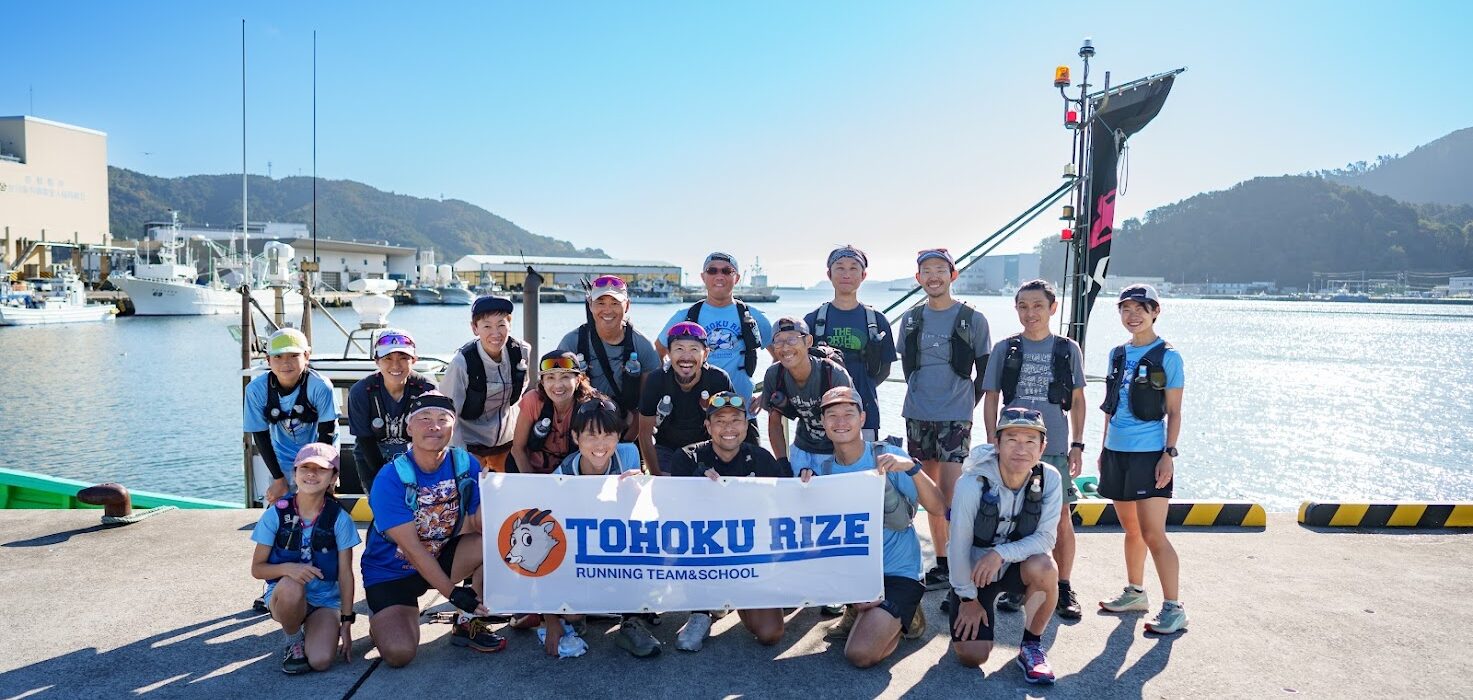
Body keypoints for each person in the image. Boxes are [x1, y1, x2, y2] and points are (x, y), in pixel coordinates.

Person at [361, 391, 506, 667]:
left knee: (491, 542)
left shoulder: (467, 464)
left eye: (443, 419)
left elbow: (479, 524)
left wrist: (493, 492)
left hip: (440, 556)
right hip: (392, 572)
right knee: (399, 654)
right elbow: (413, 550)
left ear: (453, 426)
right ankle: (383, 617)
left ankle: (467, 622)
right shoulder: (390, 477)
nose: (434, 426)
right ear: (409, 428)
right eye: (424, 418)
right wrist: (453, 593)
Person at [807, 387, 946, 668]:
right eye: (832, 415)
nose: (840, 421)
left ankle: (904, 617)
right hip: (856, 571)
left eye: (849, 414)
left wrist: (912, 468)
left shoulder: (888, 456)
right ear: (823, 422)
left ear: (862, 418)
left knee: (860, 654)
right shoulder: (824, 470)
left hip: (897, 573)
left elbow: (938, 507)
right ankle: (860, 609)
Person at [980, 280, 1088, 619]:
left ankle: (1064, 586)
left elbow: (1078, 400)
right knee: (1014, 516)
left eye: (1038, 306)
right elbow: (991, 397)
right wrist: (993, 441)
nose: (1031, 313)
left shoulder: (1068, 349)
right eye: (1023, 306)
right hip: (1012, 446)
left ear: (1052, 308)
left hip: (1053, 444)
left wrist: (1077, 445)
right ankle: (1019, 584)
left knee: (1061, 518)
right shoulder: (1005, 348)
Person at [947, 408, 1065, 685]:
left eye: (1030, 441)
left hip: (1017, 567)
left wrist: (1000, 554)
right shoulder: (972, 483)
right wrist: (967, 598)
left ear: (1042, 447)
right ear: (997, 443)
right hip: (975, 572)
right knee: (972, 656)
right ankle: (966, 611)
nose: (1021, 449)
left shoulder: (1050, 479)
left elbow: (1046, 538)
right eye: (1012, 439)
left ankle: (1032, 646)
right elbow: (957, 546)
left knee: (1046, 567)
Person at [666, 391, 790, 652]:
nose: (728, 428)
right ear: (708, 426)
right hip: (704, 556)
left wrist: (809, 483)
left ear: (746, 424)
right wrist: (695, 484)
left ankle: (730, 598)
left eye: (735, 420)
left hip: (748, 560)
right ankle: (701, 610)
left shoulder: (761, 459)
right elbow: (671, 511)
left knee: (770, 633)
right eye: (720, 421)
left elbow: (787, 506)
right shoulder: (687, 458)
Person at [1096, 284, 1187, 635]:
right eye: (1126, 309)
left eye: (1140, 309)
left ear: (1155, 311)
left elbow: (1175, 412)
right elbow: (1110, 406)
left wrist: (1168, 454)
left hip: (1149, 453)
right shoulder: (1117, 354)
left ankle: (1174, 608)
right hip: (1116, 451)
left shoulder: (1169, 357)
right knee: (1131, 529)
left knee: (1153, 533)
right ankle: (1135, 592)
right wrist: (1103, 449)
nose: (1132, 316)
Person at [898, 249, 990, 591]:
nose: (933, 275)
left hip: (955, 417)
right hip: (917, 413)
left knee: (953, 495)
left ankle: (959, 561)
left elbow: (984, 371)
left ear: (953, 275)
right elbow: (909, 367)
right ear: (918, 278)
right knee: (928, 494)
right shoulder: (911, 318)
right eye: (926, 270)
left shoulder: (972, 318)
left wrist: (965, 404)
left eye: (940, 269)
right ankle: (942, 562)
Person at [250, 443, 360, 674]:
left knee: (321, 661)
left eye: (321, 469)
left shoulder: (340, 519)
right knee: (292, 586)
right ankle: (293, 640)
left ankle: (315, 628)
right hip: (284, 595)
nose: (311, 474)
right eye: (305, 468)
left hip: (324, 600)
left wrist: (346, 621)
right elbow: (257, 569)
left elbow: (345, 574)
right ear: (294, 473)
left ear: (333, 478)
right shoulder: (275, 514)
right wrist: (289, 569)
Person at [657, 252, 773, 438]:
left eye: (727, 271)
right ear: (703, 277)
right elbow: (658, 352)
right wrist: (668, 387)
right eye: (712, 271)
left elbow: (782, 357)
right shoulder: (684, 316)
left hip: (741, 414)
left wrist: (766, 393)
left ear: (737, 278)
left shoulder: (753, 317)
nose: (719, 276)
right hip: (695, 416)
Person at [804, 245, 898, 442]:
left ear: (863, 275)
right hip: (821, 415)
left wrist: (860, 387)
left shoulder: (877, 320)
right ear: (829, 274)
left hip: (865, 412)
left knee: (864, 461)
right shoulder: (813, 320)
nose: (846, 274)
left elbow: (885, 369)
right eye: (840, 267)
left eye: (853, 268)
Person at [556, 275, 658, 442]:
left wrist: (626, 442)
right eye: (601, 303)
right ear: (590, 305)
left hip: (628, 430)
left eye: (615, 303)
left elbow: (647, 404)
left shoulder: (643, 346)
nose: (608, 310)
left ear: (627, 306)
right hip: (580, 430)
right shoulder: (571, 343)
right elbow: (558, 393)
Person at [244, 327, 339, 505]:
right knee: (281, 506)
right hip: (282, 456)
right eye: (278, 356)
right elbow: (260, 435)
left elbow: (327, 432)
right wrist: (278, 478)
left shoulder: (320, 386)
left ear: (306, 356)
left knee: (318, 502)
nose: (285, 363)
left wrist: (321, 471)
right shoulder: (255, 390)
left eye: (294, 355)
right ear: (268, 360)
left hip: (320, 452)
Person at [440, 295, 531, 473]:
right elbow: (447, 413)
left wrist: (520, 444)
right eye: (487, 326)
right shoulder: (461, 363)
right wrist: (462, 457)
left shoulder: (521, 352)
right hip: (472, 448)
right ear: (475, 328)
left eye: (501, 325)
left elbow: (522, 394)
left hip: (508, 445)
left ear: (510, 325)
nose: (495, 333)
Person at [638, 321, 734, 476]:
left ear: (706, 354)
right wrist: (656, 475)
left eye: (694, 349)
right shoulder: (656, 380)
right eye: (679, 349)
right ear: (668, 353)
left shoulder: (718, 380)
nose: (686, 357)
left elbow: (731, 428)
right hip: (666, 449)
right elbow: (644, 433)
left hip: (707, 448)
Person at [760, 317, 852, 475]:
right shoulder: (775, 375)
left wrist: (845, 463)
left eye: (792, 339)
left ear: (808, 341)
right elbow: (774, 422)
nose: (785, 347)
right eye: (778, 341)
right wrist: (783, 463)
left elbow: (852, 422)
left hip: (837, 451)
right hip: (802, 449)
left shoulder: (833, 374)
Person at [348, 329, 437, 493]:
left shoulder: (426, 389)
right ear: (376, 361)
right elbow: (364, 439)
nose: (395, 365)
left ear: (414, 360)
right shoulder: (361, 391)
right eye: (387, 358)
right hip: (372, 455)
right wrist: (384, 477)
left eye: (403, 358)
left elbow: (431, 434)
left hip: (415, 454)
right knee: (383, 500)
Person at [509, 351, 599, 474]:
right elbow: (518, 449)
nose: (558, 385)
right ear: (542, 382)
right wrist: (531, 481)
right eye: (550, 377)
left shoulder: (590, 406)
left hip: (572, 473)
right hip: (532, 471)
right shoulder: (532, 400)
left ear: (578, 380)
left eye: (565, 377)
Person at [557, 397, 643, 477]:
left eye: (608, 435)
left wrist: (639, 484)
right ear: (576, 437)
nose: (600, 446)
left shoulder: (628, 455)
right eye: (591, 435)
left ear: (619, 435)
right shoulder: (561, 478)